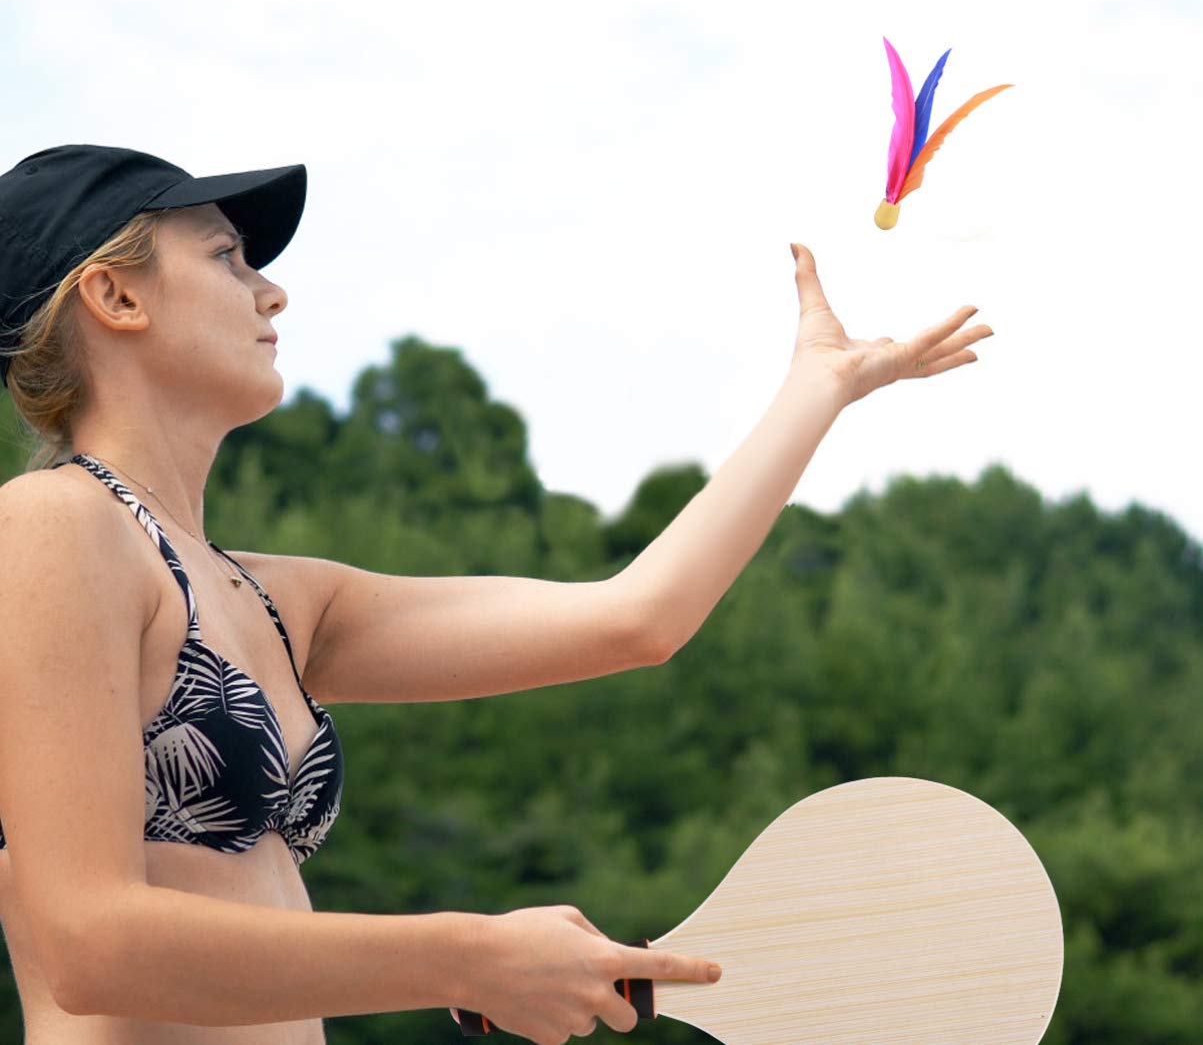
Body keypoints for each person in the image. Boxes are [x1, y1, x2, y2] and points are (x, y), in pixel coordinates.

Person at [0, 144, 992, 1044]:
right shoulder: (51, 526)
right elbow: (93, 943)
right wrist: (472, 957)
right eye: (226, 257)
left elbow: (637, 618)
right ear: (114, 298)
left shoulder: (274, 603)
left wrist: (817, 388)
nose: (273, 294)